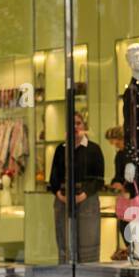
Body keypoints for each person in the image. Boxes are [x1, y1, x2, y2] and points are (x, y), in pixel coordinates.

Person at [48, 111, 105, 264]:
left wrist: (84, 194)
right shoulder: (61, 149)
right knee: (64, 245)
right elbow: (53, 178)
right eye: (71, 124)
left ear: (84, 126)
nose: (75, 127)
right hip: (63, 202)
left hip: (87, 201)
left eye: (78, 123)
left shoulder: (94, 149)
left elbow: (99, 180)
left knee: (88, 246)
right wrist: (60, 195)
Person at [105, 126, 131, 261]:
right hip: (124, 195)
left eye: (115, 141)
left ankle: (132, 249)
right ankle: (130, 249)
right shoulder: (119, 155)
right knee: (123, 223)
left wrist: (123, 184)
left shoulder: (130, 154)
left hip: (131, 195)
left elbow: (131, 176)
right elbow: (118, 175)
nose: (114, 144)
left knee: (127, 223)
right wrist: (115, 183)